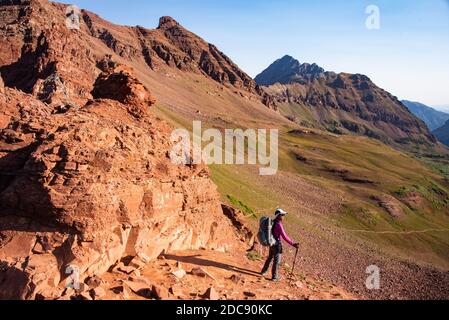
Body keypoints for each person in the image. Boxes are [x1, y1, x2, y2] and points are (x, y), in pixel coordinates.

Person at [261, 209, 299, 281]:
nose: (284, 216)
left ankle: (264, 271)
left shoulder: (273, 222)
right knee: (277, 261)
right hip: (277, 245)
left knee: (270, 258)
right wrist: (293, 244)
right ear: (278, 216)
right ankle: (275, 277)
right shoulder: (279, 224)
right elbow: (285, 236)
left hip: (272, 243)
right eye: (282, 215)